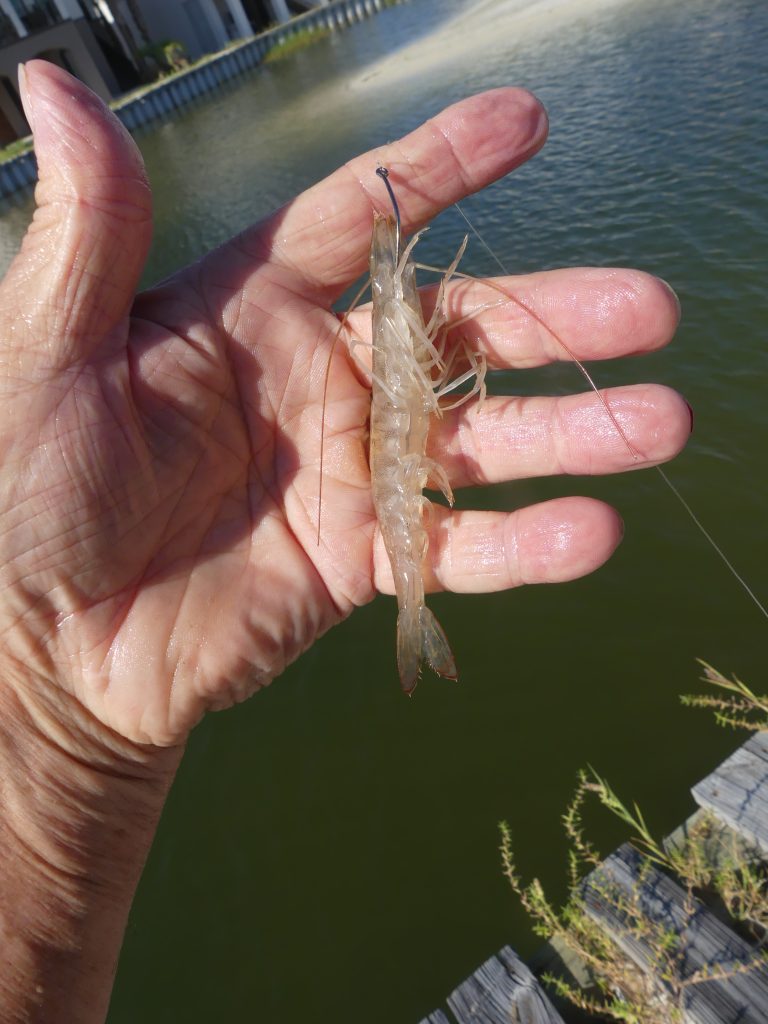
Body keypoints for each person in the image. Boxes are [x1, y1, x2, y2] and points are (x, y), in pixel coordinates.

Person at [0, 60, 689, 1022]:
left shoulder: (394, 349)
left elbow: (413, 384)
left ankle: (417, 620)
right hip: (403, 479)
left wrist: (43, 717)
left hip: (404, 463)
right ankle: (418, 619)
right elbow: (420, 383)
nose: (407, 290)